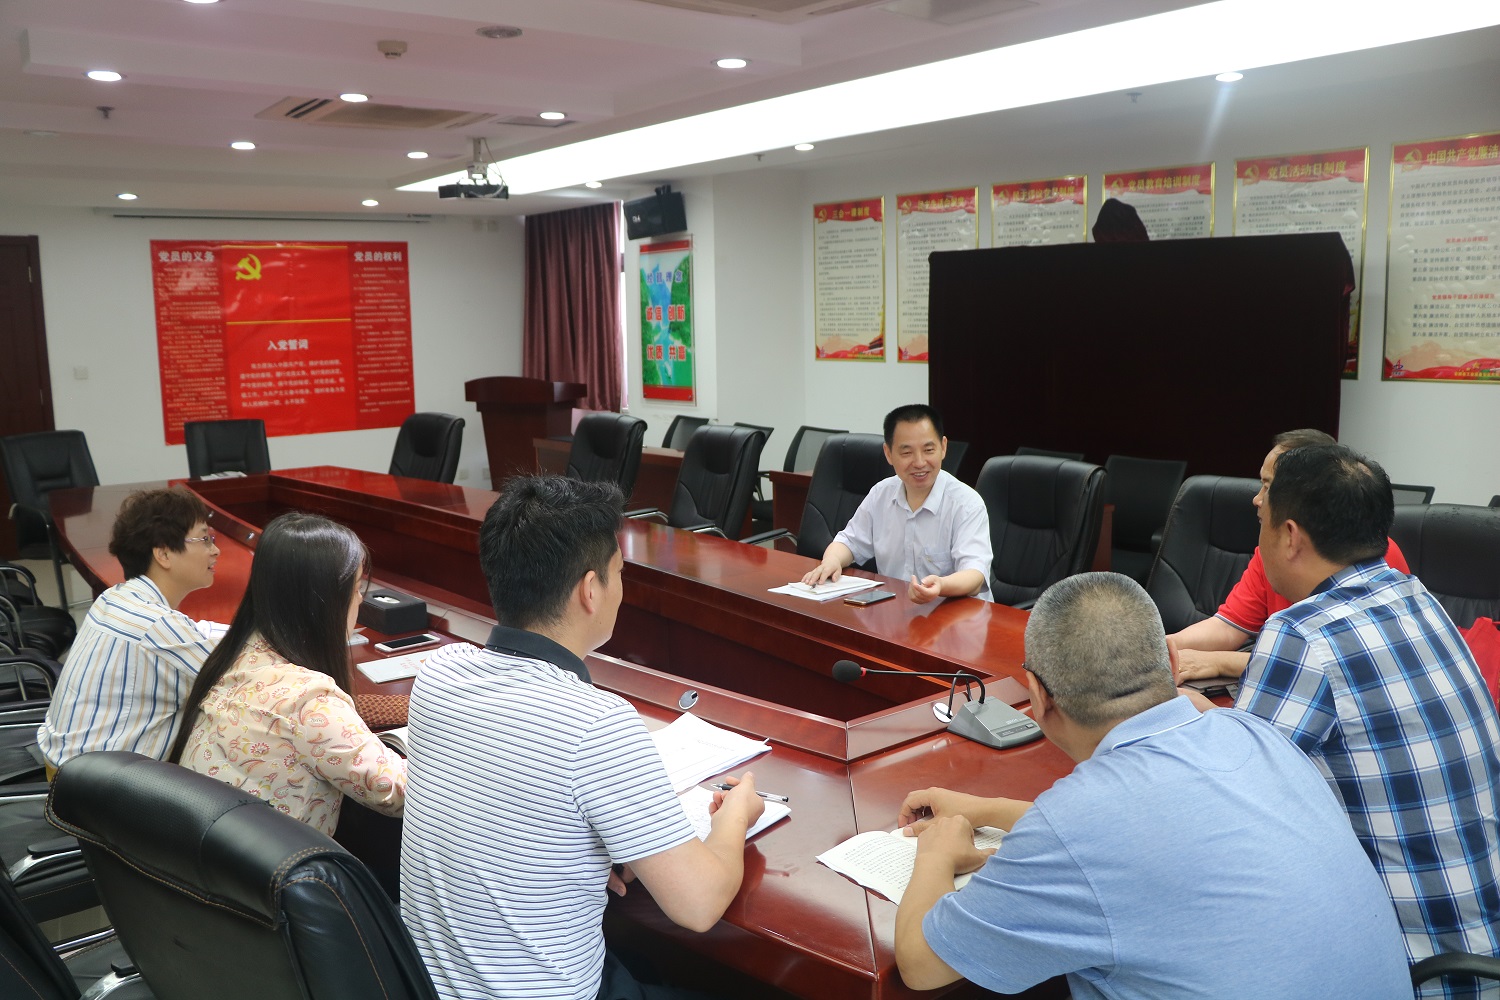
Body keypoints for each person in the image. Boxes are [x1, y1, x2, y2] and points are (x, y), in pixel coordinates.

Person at [891, 572, 1410, 1000]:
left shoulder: (1080, 820)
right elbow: (1138, 839)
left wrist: (936, 852)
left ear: (1039, 697)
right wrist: (986, 808)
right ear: (1174, 662)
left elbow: (920, 964)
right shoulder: (1250, 732)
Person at [399, 475, 763, 1000]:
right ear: (591, 590)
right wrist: (734, 817)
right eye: (620, 574)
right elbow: (699, 905)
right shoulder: (596, 723)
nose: (621, 590)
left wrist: (592, 849)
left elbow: (508, 800)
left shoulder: (439, 673)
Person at [1230, 444, 1500, 996]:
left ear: (1289, 536)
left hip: (1419, 971)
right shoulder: (1417, 596)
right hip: (1482, 944)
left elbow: (1234, 809)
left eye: (1262, 518)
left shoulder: (1302, 633)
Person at [168, 512, 405, 837]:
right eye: (355, 587)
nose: (361, 599)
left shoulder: (235, 655)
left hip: (208, 856)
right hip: (275, 867)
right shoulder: (308, 700)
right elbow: (396, 792)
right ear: (322, 601)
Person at [1172, 428, 1408, 681]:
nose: (1257, 499)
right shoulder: (1270, 554)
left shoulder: (1373, 556)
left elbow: (1340, 664)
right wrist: (1163, 647)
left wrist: (1220, 662)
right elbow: (1228, 626)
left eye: (1268, 487)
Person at [38, 487, 221, 772]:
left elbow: (196, 633)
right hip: (96, 790)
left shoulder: (116, 597)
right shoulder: (156, 626)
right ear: (164, 554)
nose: (215, 550)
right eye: (205, 539)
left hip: (68, 770)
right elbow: (235, 675)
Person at [801, 403, 991, 604]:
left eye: (928, 450)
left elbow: (975, 575)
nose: (919, 462)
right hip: (898, 609)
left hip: (957, 612)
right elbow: (848, 542)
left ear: (943, 447)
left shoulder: (966, 504)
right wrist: (831, 561)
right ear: (888, 453)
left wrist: (941, 586)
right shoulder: (881, 494)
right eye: (907, 453)